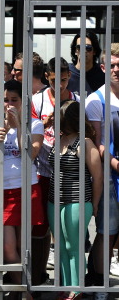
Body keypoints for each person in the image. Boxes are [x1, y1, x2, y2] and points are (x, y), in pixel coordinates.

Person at [0, 80, 45, 296]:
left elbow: (31, 154)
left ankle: (24, 289)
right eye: (6, 100)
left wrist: (18, 127)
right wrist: (2, 130)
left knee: (23, 247)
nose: (9, 105)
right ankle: (26, 292)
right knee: (8, 249)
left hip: (26, 188)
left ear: (23, 102)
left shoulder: (35, 124)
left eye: (14, 100)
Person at [31, 57, 80, 286]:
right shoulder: (37, 100)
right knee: (40, 229)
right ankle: (38, 277)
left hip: (68, 174)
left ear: (69, 76)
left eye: (63, 79)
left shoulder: (77, 100)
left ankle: (67, 282)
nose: (58, 85)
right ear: (46, 77)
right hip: (42, 171)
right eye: (53, 80)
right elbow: (29, 131)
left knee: (66, 231)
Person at [47, 100, 102, 298]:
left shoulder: (85, 142)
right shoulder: (58, 140)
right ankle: (66, 287)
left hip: (77, 201)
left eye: (60, 120)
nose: (56, 124)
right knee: (60, 247)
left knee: (74, 246)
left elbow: (98, 176)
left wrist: (94, 204)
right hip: (54, 200)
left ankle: (76, 289)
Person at [84, 43, 119, 296]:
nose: (116, 70)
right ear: (104, 67)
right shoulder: (95, 100)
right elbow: (97, 145)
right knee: (107, 233)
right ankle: (100, 284)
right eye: (113, 65)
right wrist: (117, 163)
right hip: (109, 177)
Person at [68, 31, 105, 96]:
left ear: (94, 51)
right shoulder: (66, 73)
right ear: (75, 51)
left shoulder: (103, 73)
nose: (84, 51)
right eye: (79, 47)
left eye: (88, 48)